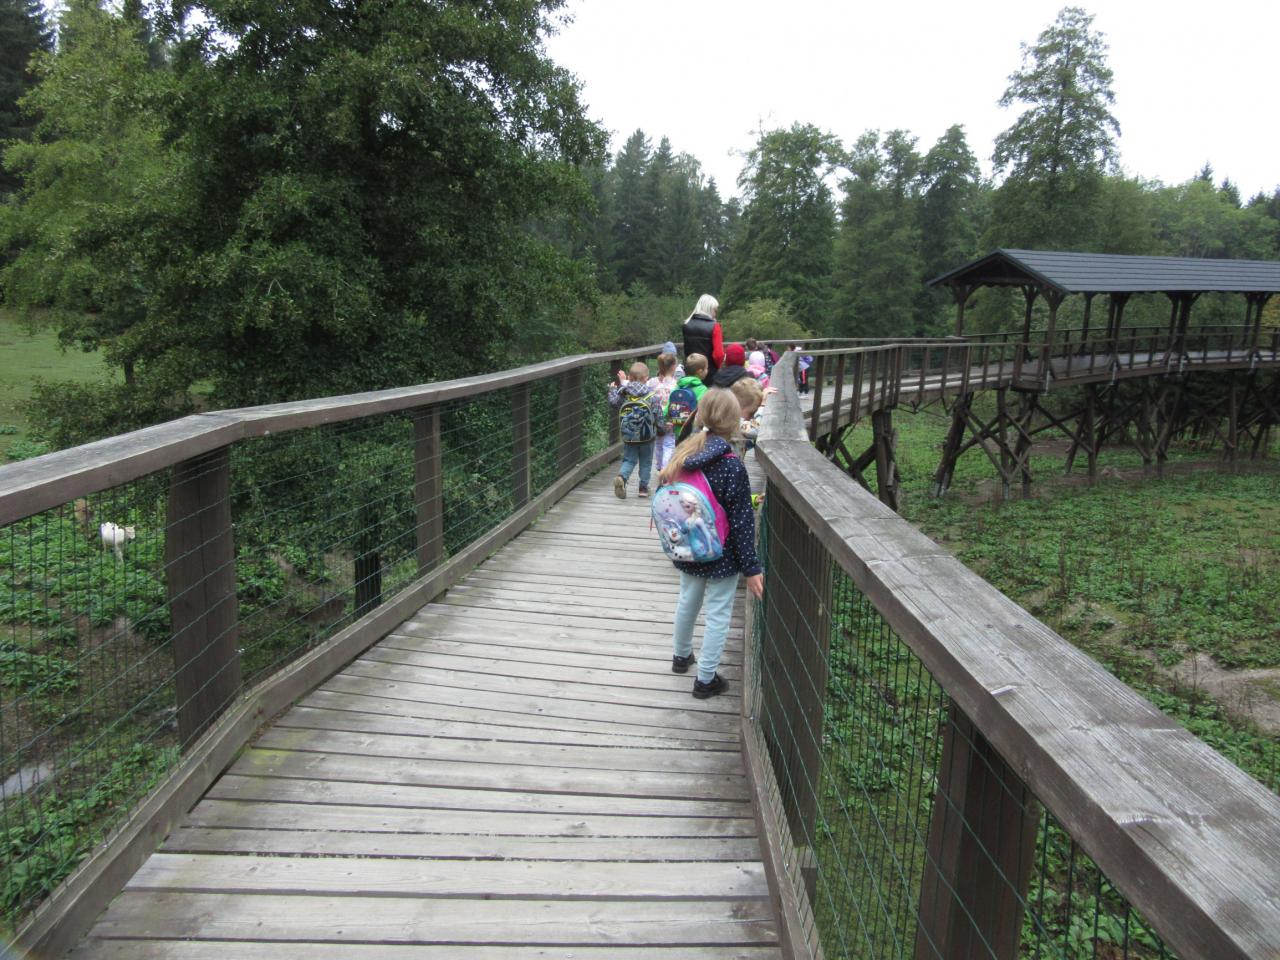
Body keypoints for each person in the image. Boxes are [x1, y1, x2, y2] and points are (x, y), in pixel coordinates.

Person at [658, 389, 764, 698]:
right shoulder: (731, 465)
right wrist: (752, 568)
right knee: (718, 612)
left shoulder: (682, 455)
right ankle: (705, 679)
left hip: (687, 546)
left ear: (700, 416)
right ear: (735, 422)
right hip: (722, 552)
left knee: (687, 600)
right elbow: (742, 522)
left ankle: (681, 657)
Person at [608, 361, 665, 499]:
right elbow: (658, 415)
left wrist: (612, 390)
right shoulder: (652, 396)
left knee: (629, 459)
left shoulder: (624, 393)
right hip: (648, 437)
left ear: (629, 377)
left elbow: (614, 403)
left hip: (629, 436)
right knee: (646, 461)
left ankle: (622, 477)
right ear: (646, 378)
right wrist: (661, 429)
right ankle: (643, 488)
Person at [648, 352, 680, 471]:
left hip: (656, 419)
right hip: (670, 419)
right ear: (674, 367)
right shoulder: (676, 385)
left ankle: (658, 466)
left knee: (658, 443)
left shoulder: (653, 383)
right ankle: (665, 469)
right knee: (669, 444)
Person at [682, 294, 724, 381]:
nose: (715, 314)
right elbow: (719, 355)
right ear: (709, 309)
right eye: (715, 310)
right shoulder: (715, 326)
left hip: (690, 372)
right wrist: (718, 367)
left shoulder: (686, 324)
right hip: (709, 373)